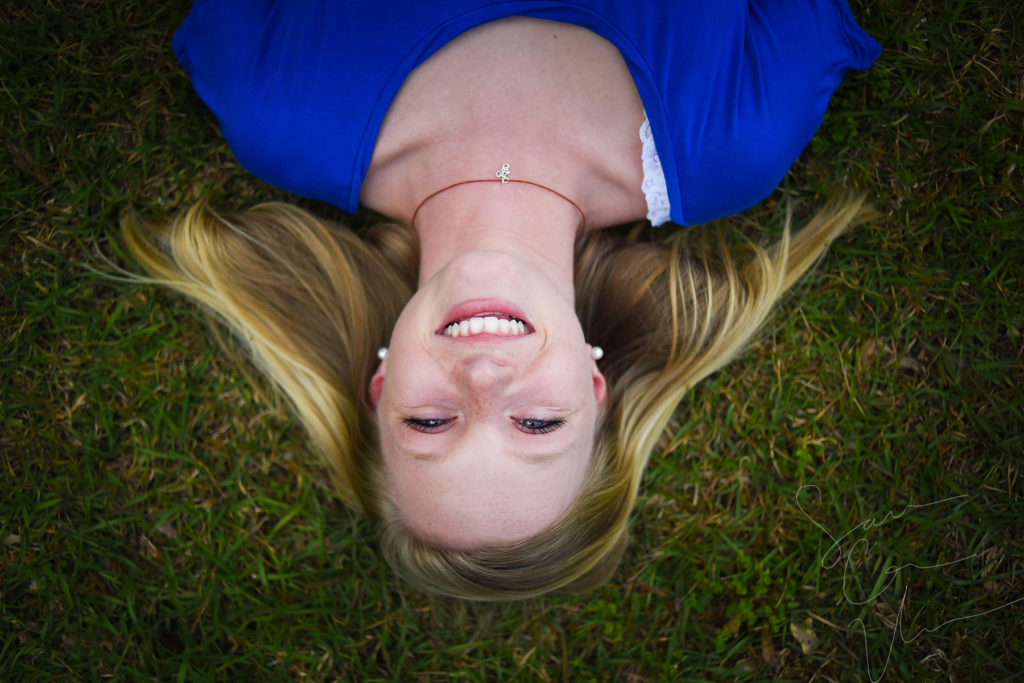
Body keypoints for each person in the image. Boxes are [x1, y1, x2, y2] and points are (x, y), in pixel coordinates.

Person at [123, 0, 881, 599]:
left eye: (429, 422)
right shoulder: (730, 136)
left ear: (381, 385)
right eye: (536, 422)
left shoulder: (276, 106)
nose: (483, 381)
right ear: (595, 386)